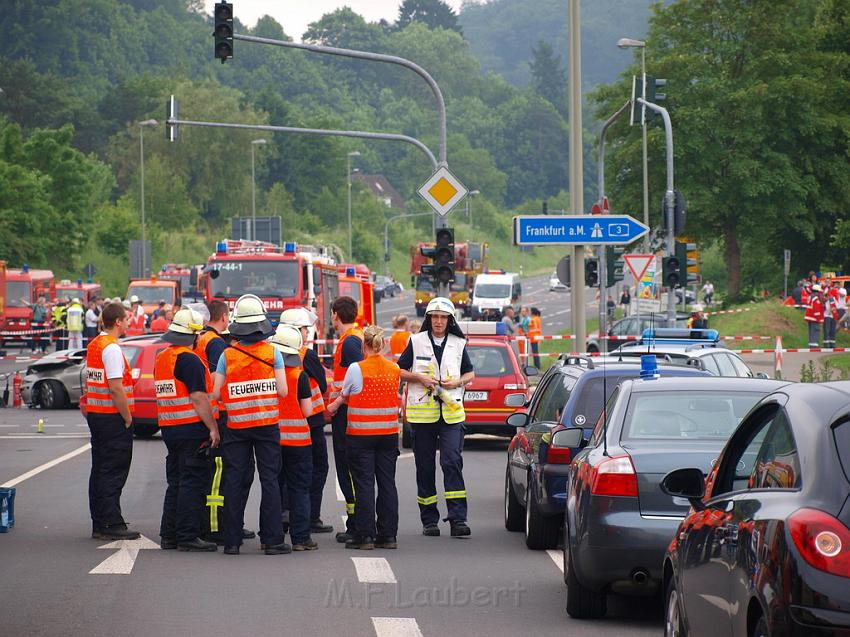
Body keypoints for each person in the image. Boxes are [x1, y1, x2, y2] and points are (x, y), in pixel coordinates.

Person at [212, 294, 289, 556]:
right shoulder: (273, 353)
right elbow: (283, 391)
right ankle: (272, 540)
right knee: (269, 479)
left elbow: (216, 392)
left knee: (234, 479)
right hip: (267, 425)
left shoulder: (227, 355)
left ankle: (232, 541)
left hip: (236, 427)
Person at [398, 297, 475, 538]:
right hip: (423, 416)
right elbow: (399, 370)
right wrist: (419, 378)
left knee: (451, 461)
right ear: (429, 318)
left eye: (443, 317)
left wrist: (458, 382)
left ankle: (458, 519)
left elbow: (470, 373)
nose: (439, 321)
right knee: (425, 466)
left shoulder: (458, 343)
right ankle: (429, 519)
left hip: (452, 413)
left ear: (449, 320)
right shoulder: (416, 341)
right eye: (435, 317)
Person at [327, 325, 401, 550]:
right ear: (384, 344)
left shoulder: (356, 369)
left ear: (363, 345)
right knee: (387, 483)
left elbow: (347, 394)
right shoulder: (394, 369)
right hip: (388, 435)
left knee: (364, 484)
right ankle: (388, 535)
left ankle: (365, 535)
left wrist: (337, 402)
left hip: (361, 435)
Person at [155, 308, 220, 552]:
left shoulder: (163, 357)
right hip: (191, 430)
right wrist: (213, 428)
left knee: (176, 482)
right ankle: (187, 535)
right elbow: (198, 398)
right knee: (192, 483)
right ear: (193, 335)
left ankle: (169, 535)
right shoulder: (190, 360)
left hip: (170, 429)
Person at [195, 300, 255, 545]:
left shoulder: (200, 339)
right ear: (224, 317)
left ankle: (225, 524)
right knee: (223, 475)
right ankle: (218, 526)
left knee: (215, 474)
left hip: (204, 414)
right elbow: (219, 382)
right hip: (219, 416)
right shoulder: (217, 344)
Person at [85, 301, 139, 540]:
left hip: (97, 415)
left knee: (100, 469)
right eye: (126, 319)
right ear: (117, 322)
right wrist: (127, 417)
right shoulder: (113, 349)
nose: (128, 322)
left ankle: (100, 520)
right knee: (114, 470)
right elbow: (116, 388)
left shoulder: (96, 344)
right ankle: (111, 523)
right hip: (112, 418)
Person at [279, 307, 333, 535]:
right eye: (303, 328)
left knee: (282, 473)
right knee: (316, 468)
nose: (306, 332)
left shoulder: (273, 355)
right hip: (310, 421)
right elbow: (321, 384)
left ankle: (284, 513)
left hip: (282, 423)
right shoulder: (306, 355)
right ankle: (310, 517)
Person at [270, 324, 317, 552]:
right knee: (299, 490)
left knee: (274, 489)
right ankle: (301, 538)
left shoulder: (269, 374)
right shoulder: (300, 376)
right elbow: (307, 411)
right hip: (299, 443)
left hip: (272, 441)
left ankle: (273, 535)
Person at [327, 296, 364, 543]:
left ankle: (355, 524)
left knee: (348, 469)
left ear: (336, 315)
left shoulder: (349, 342)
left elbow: (356, 378)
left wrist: (338, 401)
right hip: (347, 412)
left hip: (346, 414)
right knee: (349, 468)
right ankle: (355, 522)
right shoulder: (354, 338)